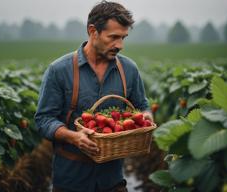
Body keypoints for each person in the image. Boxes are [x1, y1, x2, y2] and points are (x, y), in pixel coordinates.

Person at [35, 1, 153, 191]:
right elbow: (43, 119)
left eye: (123, 37)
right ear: (92, 31)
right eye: (113, 37)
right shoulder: (59, 70)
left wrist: (146, 118)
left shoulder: (129, 70)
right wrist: (73, 137)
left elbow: (141, 106)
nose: (120, 45)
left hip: (113, 181)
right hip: (71, 181)